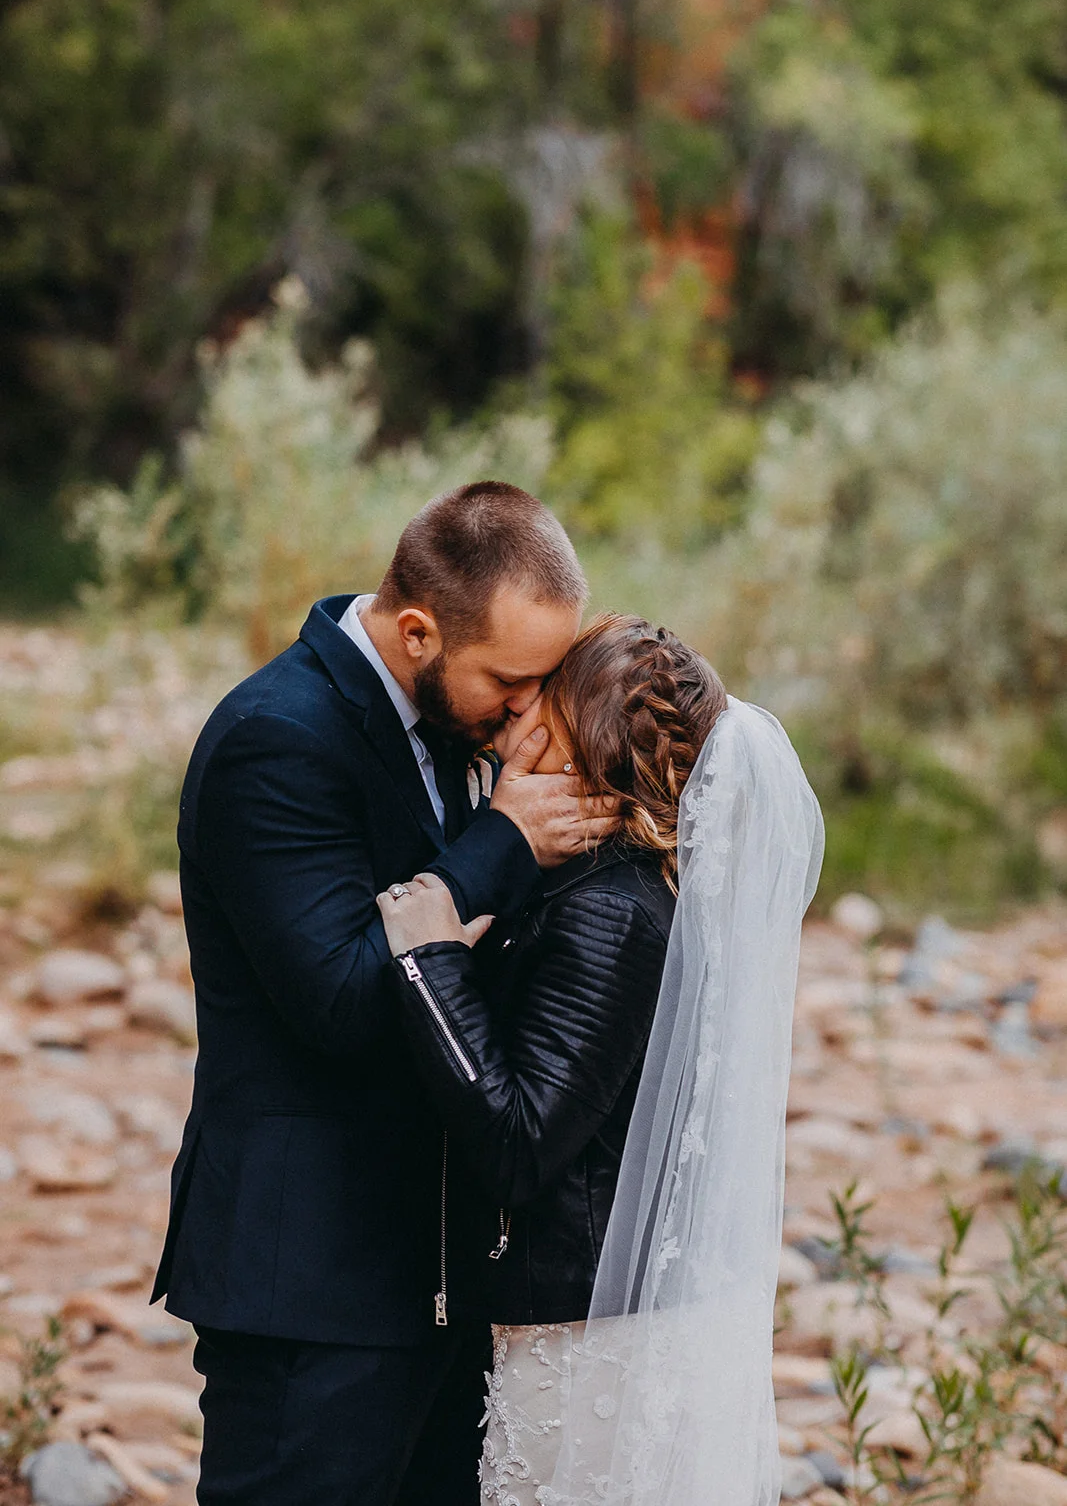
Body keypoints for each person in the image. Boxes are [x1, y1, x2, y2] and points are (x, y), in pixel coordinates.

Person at [152, 482, 616, 1506]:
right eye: (510, 679)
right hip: (307, 1279)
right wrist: (504, 840)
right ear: (417, 632)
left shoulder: (459, 727)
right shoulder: (275, 740)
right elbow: (345, 999)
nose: (529, 708)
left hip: (438, 1268)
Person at [378, 614, 824, 1506]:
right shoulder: (615, 887)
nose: (508, 732)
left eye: (531, 716)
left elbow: (520, 1143)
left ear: (582, 751)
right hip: (590, 1323)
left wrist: (428, 962)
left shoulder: (609, 912)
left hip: (585, 1346)